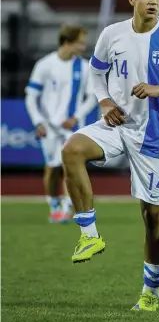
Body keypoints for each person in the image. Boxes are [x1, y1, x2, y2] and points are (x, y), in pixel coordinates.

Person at [61, 0, 159, 311]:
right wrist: (104, 101)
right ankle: (89, 235)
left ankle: (151, 289)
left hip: (153, 135)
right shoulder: (112, 34)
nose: (154, 2)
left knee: (153, 216)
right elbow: (96, 72)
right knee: (72, 150)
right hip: (116, 124)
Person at [25, 24, 96, 223]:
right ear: (67, 42)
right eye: (80, 43)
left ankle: (66, 208)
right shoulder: (44, 65)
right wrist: (38, 121)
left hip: (72, 128)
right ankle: (53, 204)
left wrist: (75, 117)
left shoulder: (84, 67)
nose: (83, 48)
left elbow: (92, 97)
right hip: (49, 126)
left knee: (70, 167)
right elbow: (31, 96)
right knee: (51, 168)